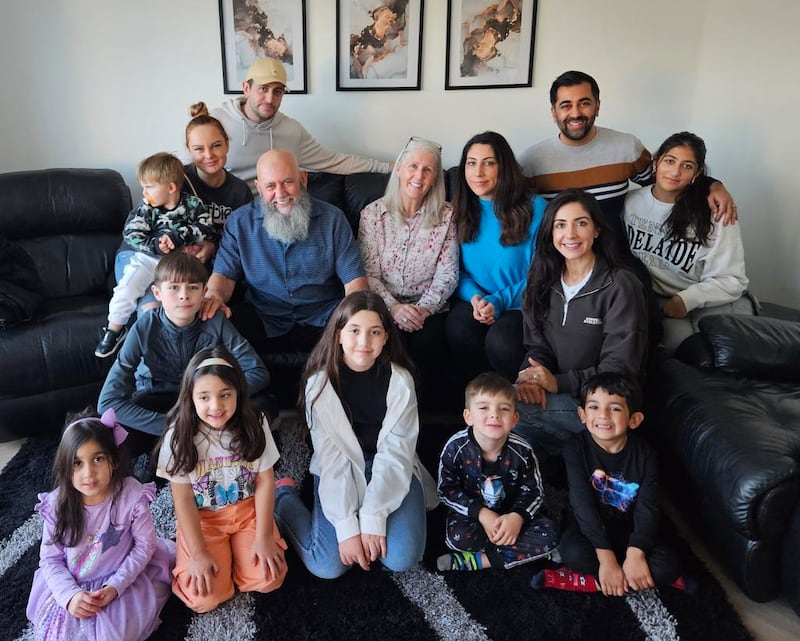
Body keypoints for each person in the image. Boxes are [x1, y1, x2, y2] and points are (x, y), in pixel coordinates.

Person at [273, 291, 438, 579]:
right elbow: (332, 458)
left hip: (390, 465)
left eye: (374, 332)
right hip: (341, 467)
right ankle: (284, 497)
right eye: (354, 330)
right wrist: (348, 527)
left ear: (386, 338)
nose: (364, 342)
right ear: (338, 335)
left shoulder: (400, 381)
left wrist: (374, 518)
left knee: (401, 558)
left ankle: (376, 512)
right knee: (326, 565)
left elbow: (397, 452)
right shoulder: (320, 385)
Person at [519, 70, 736, 251]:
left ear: (597, 106)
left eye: (584, 103)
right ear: (554, 112)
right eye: (566, 105)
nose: (576, 113)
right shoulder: (531, 162)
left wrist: (712, 185)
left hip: (615, 261)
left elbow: (668, 181)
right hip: (559, 262)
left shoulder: (626, 147)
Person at [97, 253, 271, 474]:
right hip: (160, 402)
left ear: (204, 292)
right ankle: (173, 451)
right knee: (111, 432)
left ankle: (209, 449)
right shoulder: (143, 327)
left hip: (208, 402)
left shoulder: (214, 320)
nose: (184, 296)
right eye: (174, 288)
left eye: (193, 288)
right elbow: (108, 402)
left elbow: (258, 371)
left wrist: (218, 397)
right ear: (157, 293)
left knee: (262, 408)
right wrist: (170, 425)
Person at [515, 189, 648, 458]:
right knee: (497, 405)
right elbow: (538, 347)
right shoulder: (541, 280)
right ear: (550, 234)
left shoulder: (620, 284)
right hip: (563, 394)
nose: (571, 234)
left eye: (581, 223)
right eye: (561, 225)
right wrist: (531, 379)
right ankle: (569, 466)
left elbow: (619, 369)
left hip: (606, 404)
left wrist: (558, 383)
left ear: (597, 230)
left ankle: (589, 462)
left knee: (510, 415)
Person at [156, 346, 287, 612]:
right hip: (205, 520)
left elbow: (263, 482)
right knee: (203, 598)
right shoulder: (178, 436)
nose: (215, 406)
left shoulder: (255, 423)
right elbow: (182, 499)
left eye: (225, 394)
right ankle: (221, 558)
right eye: (204, 397)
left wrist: (262, 537)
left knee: (269, 579)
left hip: (247, 512)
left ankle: (243, 553)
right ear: (191, 397)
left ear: (239, 393)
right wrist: (199, 553)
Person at [202, 149, 368, 357]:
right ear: (259, 188)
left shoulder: (333, 220)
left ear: (303, 179)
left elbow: (355, 282)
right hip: (264, 316)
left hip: (323, 317)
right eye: (270, 186)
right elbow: (224, 275)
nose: (280, 193)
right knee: (217, 329)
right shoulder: (239, 223)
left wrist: (354, 319)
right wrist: (215, 296)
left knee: (358, 329)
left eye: (288, 182)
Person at [26, 409, 174, 641]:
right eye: (77, 463)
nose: (88, 473)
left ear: (113, 461)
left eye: (98, 459)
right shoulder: (56, 505)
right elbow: (50, 558)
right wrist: (70, 596)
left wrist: (115, 586)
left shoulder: (131, 495)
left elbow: (145, 546)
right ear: (66, 467)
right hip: (73, 581)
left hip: (121, 575)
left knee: (116, 634)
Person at [623, 132, 753, 352]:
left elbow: (733, 279)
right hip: (662, 301)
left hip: (712, 297)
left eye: (687, 166)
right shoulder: (631, 203)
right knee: (680, 349)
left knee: (723, 349)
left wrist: (687, 299)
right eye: (670, 161)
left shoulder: (716, 212)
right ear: (656, 163)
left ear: (697, 174)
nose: (675, 172)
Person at [558, 373, 681, 595]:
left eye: (614, 408)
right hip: (589, 526)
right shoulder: (575, 448)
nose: (603, 415)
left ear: (634, 420)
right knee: (573, 553)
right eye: (594, 407)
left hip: (629, 526)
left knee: (668, 565)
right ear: (582, 414)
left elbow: (648, 506)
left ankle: (603, 580)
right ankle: (626, 578)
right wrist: (606, 557)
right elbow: (581, 503)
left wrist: (636, 552)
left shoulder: (646, 455)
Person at [445, 131, 546, 383]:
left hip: (523, 302)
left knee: (501, 340)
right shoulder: (460, 210)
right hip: (478, 301)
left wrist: (498, 301)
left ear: (505, 167)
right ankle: (477, 406)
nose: (478, 172)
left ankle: (515, 409)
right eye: (471, 163)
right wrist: (476, 299)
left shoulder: (536, 207)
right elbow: (456, 271)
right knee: (458, 327)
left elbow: (544, 273)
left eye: (488, 163)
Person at [357, 136, 458, 388]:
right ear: (399, 169)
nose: (419, 175)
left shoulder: (447, 216)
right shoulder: (371, 215)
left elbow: (448, 274)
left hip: (429, 310)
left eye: (427, 170)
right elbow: (368, 273)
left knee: (428, 343)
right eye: (413, 166)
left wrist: (421, 310)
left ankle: (420, 418)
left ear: (435, 177)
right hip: (383, 306)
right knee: (384, 340)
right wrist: (393, 309)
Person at [95, 152, 215, 358]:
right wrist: (155, 245)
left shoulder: (192, 205)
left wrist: (179, 237)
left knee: (179, 297)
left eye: (149, 187)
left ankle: (186, 342)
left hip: (179, 262)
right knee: (127, 286)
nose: (144, 192)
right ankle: (114, 328)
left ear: (170, 187)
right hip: (149, 258)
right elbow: (131, 234)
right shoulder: (147, 209)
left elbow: (206, 226)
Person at [436, 372, 559, 571]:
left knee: (550, 533)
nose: (494, 414)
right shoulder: (455, 448)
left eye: (504, 408)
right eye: (484, 408)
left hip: (511, 513)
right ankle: (523, 552)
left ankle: (480, 561)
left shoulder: (523, 451)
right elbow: (446, 490)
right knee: (456, 537)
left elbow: (534, 493)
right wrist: (482, 514)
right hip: (475, 515)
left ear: (515, 419)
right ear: (468, 416)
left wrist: (517, 517)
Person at [211, 58, 391, 186]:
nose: (269, 99)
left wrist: (392, 167)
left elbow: (336, 161)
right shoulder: (216, 122)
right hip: (228, 214)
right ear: (246, 88)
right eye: (263, 89)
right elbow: (189, 169)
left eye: (277, 92)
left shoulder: (291, 131)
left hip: (273, 214)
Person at [183, 101, 254, 235]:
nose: (209, 155)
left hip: (223, 255)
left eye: (216, 146)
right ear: (188, 150)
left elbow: (246, 239)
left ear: (227, 144)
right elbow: (139, 225)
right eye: (199, 149)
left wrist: (212, 248)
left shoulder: (240, 192)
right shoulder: (175, 180)